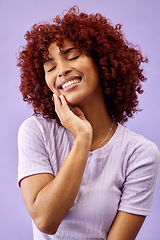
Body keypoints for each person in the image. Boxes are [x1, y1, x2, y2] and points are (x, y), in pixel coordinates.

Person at [17, 5, 160, 240]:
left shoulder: (140, 154)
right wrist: (83, 138)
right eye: (50, 67)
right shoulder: (36, 131)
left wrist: (84, 135)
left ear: (103, 63)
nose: (62, 70)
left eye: (72, 56)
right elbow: (45, 220)